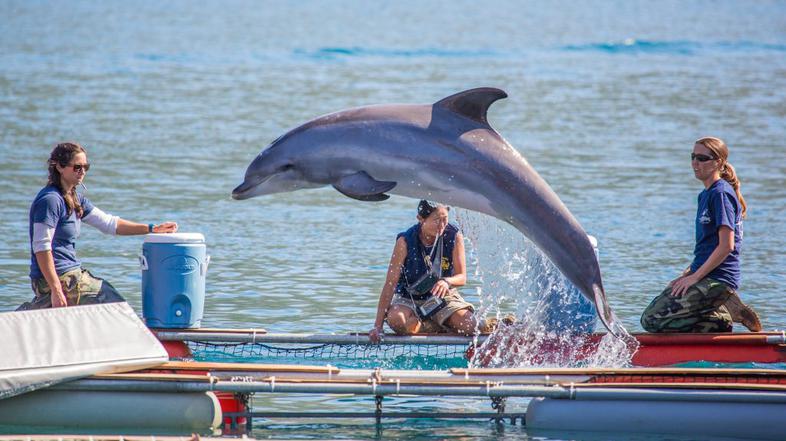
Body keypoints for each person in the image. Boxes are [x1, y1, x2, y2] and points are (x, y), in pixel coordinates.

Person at [18, 142, 178, 310]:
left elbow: (110, 224)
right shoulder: (50, 200)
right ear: (59, 167)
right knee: (113, 304)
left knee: (106, 297)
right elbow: (41, 247)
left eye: (86, 167)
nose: (82, 172)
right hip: (55, 279)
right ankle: (43, 302)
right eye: (77, 167)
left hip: (71, 274)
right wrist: (56, 289)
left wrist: (152, 228)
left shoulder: (75, 199)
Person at [641, 136, 761, 333]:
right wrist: (686, 275)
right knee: (659, 306)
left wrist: (695, 277)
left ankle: (724, 306)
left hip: (718, 279)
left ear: (718, 162)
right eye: (693, 157)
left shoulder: (720, 194)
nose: (695, 163)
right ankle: (718, 321)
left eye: (702, 158)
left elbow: (726, 246)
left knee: (651, 320)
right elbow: (706, 247)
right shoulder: (705, 194)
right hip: (703, 275)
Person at [369, 200, 488, 343]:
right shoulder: (404, 241)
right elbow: (390, 284)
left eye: (445, 219)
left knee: (470, 326)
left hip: (443, 297)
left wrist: (446, 282)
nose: (442, 225)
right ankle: (437, 325)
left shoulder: (454, 236)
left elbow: (461, 277)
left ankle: (454, 321)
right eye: (436, 220)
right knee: (397, 320)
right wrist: (378, 326)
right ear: (421, 219)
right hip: (409, 299)